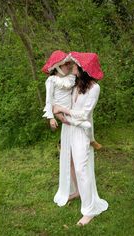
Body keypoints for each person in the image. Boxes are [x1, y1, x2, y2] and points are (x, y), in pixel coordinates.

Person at [53, 52, 109, 226]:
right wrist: (55, 112)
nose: (72, 67)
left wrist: (63, 112)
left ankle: (89, 210)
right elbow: (56, 84)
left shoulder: (94, 88)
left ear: (83, 69)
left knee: (81, 169)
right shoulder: (75, 83)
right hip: (68, 128)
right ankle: (76, 191)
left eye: (76, 65)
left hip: (80, 131)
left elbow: (84, 115)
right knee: (69, 162)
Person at [42, 50, 102, 149]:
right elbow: (48, 99)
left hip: (69, 107)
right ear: (58, 66)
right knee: (67, 121)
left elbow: (82, 72)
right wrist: (51, 117)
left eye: (70, 64)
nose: (69, 66)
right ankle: (65, 141)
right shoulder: (51, 80)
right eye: (66, 65)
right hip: (58, 108)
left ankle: (91, 139)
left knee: (83, 118)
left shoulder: (70, 78)